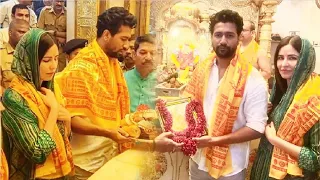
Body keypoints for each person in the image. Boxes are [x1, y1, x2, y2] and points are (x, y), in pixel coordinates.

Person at [55, 7, 181, 180]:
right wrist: (109, 133)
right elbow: (73, 120)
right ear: (106, 35)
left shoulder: (112, 63)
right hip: (85, 164)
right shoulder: (81, 68)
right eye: (123, 39)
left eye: (129, 39)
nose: (127, 45)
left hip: (109, 156)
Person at [183, 9, 268, 180]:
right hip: (198, 157)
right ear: (211, 37)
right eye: (218, 34)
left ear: (239, 38)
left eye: (229, 35)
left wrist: (214, 141)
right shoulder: (201, 69)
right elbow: (189, 103)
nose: (223, 40)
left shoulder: (253, 78)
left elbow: (257, 128)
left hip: (231, 167)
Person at [1, 29, 73, 180]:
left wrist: (67, 119)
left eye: (56, 58)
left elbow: (64, 138)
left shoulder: (51, 90)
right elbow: (37, 152)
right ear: (29, 61)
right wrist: (53, 110)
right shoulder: (15, 97)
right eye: (46, 60)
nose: (53, 66)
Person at [250, 36, 320, 180]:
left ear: (306, 61)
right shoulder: (278, 92)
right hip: (263, 170)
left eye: (292, 58)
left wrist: (275, 141)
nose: (284, 64)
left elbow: (316, 160)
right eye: (280, 58)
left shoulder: (314, 100)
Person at [124, 34, 157, 112]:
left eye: (152, 53)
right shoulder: (123, 79)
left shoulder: (163, 84)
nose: (148, 58)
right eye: (143, 53)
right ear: (134, 55)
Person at [0, 19, 29, 91]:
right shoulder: (1, 54)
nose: (24, 36)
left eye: (27, 33)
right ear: (10, 33)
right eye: (21, 32)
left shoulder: (31, 54)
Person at [38, 0, 67, 72]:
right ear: (52, 1)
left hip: (62, 50)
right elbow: (39, 32)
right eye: (57, 1)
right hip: (48, 47)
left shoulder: (68, 13)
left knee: (61, 72)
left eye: (62, 1)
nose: (59, 3)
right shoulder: (45, 11)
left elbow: (70, 34)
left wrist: (54, 33)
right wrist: (58, 37)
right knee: (48, 70)